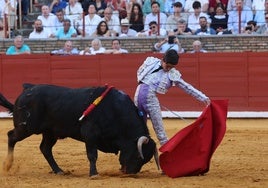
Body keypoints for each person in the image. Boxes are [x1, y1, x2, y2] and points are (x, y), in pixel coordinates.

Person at [134, 49, 211, 146]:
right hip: (141, 97)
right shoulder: (151, 61)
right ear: (163, 60)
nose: (169, 69)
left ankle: (157, 149)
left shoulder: (170, 72)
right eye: (168, 66)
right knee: (146, 127)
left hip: (145, 96)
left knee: (151, 127)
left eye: (172, 67)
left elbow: (186, 86)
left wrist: (203, 97)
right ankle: (157, 149)